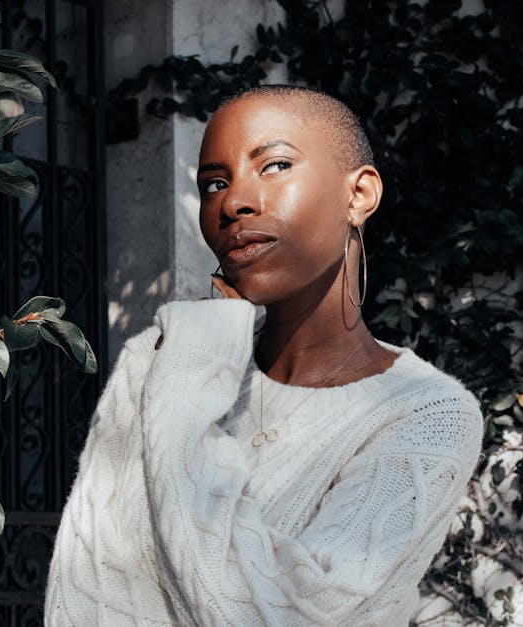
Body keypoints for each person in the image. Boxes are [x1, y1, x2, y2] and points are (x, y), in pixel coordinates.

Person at [45, 85, 483, 626]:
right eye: (214, 184)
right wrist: (199, 358)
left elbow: (304, 618)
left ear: (360, 195)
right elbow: (85, 588)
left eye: (274, 165)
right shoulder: (161, 360)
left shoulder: (427, 414)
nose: (233, 203)